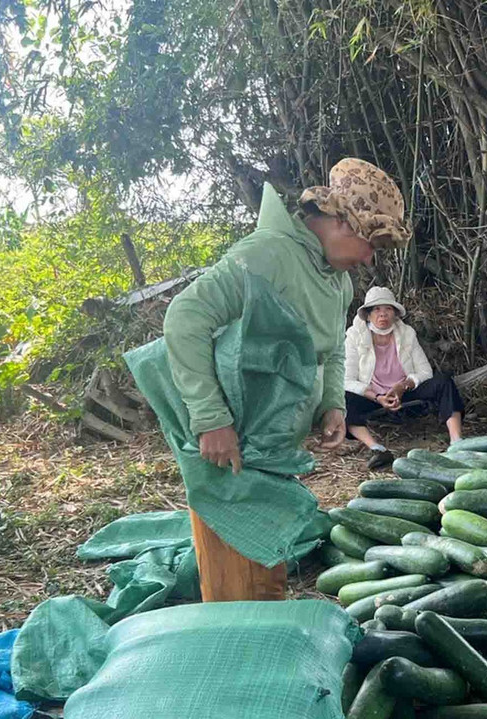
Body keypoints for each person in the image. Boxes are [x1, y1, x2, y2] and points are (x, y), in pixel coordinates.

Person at [162, 158, 409, 600]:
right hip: (230, 443)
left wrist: (332, 403)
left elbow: (332, 349)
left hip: (275, 444)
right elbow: (185, 318)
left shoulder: (339, 283)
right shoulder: (267, 255)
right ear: (337, 221)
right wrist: (210, 419)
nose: (370, 258)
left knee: (265, 568)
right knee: (232, 580)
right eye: (369, 244)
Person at [344, 286, 466, 470]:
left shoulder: (407, 333)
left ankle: (457, 442)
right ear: (368, 315)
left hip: (404, 392)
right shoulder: (354, 336)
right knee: (342, 398)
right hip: (373, 396)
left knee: (443, 382)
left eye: (388, 309)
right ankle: (377, 449)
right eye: (377, 309)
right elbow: (347, 379)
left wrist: (403, 386)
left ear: (395, 314)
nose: (383, 314)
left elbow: (425, 371)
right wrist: (377, 396)